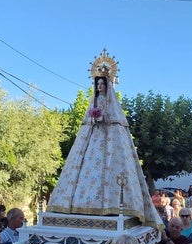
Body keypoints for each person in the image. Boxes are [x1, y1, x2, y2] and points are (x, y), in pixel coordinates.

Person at [46, 75, 161, 229]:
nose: (99, 87)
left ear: (108, 86)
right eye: (98, 84)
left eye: (102, 84)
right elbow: (88, 119)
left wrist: (103, 118)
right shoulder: (93, 101)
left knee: (109, 169)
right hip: (92, 139)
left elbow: (114, 117)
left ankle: (112, 206)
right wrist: (94, 119)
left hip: (110, 139)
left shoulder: (112, 103)